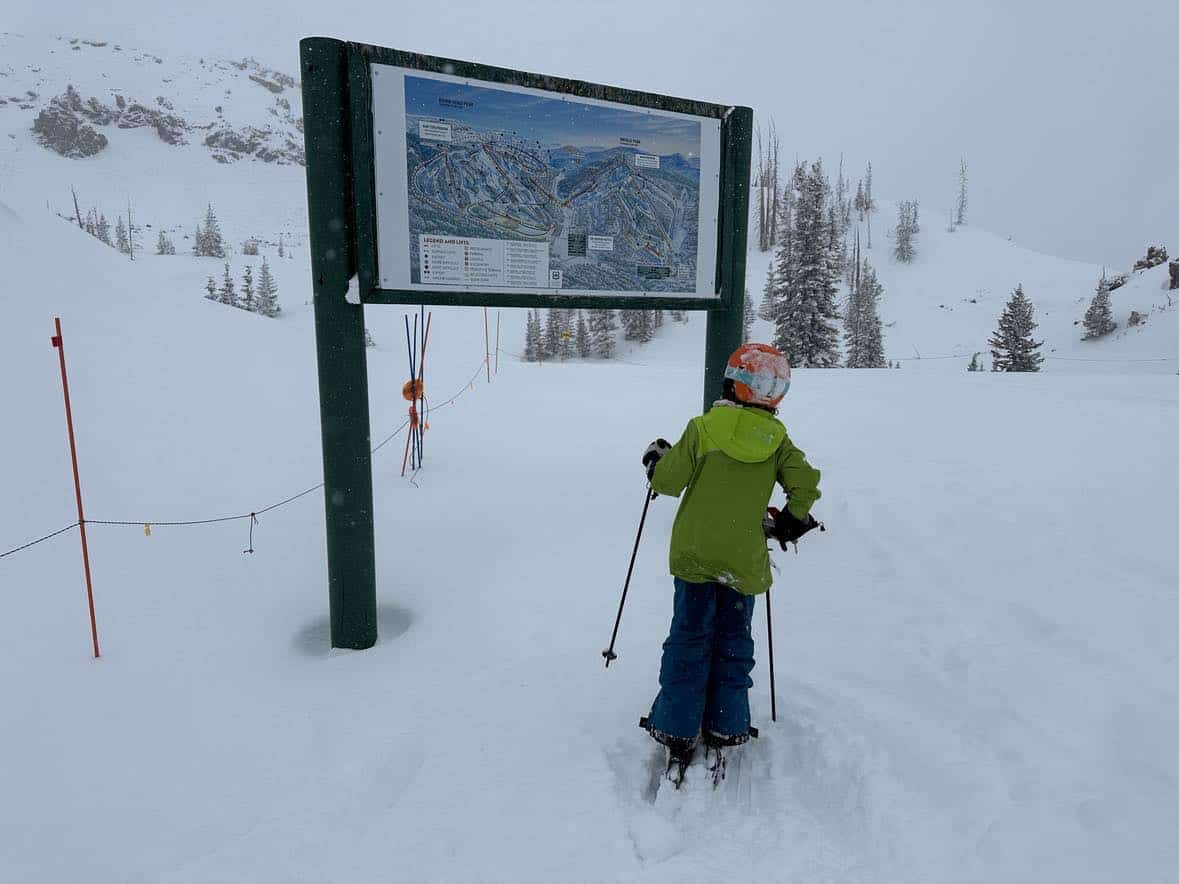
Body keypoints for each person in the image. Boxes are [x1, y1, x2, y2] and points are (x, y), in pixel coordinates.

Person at [640, 343, 822, 771]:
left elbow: (668, 482)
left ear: (731, 382)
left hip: (695, 556)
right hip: (742, 562)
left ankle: (678, 726)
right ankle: (727, 723)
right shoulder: (777, 442)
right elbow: (806, 484)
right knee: (734, 639)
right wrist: (793, 521)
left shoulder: (704, 428)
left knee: (689, 637)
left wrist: (654, 460)